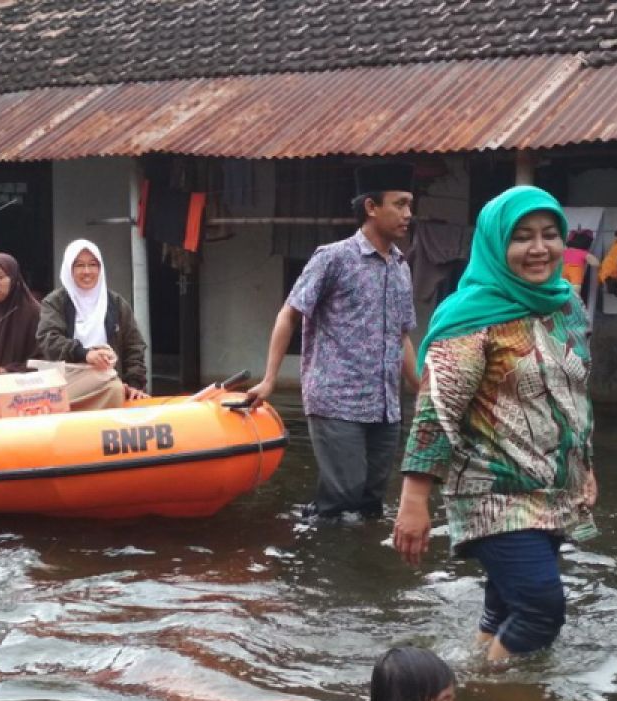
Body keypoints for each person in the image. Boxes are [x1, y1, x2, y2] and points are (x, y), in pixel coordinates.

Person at [392, 185, 597, 663]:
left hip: (550, 488)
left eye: (549, 235)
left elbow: (575, 393)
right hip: (491, 493)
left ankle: (473, 678)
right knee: (541, 612)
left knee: (507, 607)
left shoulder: (565, 303)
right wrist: (414, 499)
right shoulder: (470, 316)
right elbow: (435, 407)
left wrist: (584, 465)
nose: (539, 248)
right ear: (495, 243)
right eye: (522, 237)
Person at [245, 162, 420, 519]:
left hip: (386, 404)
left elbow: (401, 335)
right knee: (343, 498)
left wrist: (421, 388)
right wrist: (269, 379)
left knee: (372, 500)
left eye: (409, 205)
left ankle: (361, 570)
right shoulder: (334, 258)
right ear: (372, 207)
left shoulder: (401, 267)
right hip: (336, 398)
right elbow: (289, 314)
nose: (408, 214)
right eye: (399, 204)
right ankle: (321, 564)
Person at [36, 238, 149, 407]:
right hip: (68, 381)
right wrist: (85, 354)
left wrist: (134, 383)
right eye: (79, 265)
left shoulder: (116, 304)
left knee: (115, 389)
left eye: (93, 264)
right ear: (69, 269)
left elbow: (134, 346)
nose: (87, 271)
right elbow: (49, 339)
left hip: (112, 379)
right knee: (113, 388)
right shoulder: (55, 302)